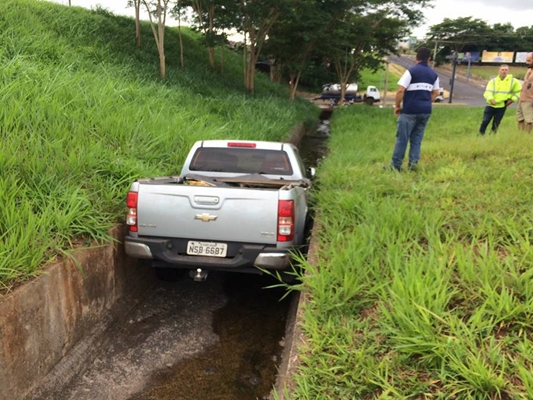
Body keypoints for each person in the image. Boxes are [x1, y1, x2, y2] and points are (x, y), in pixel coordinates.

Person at [389, 47, 440, 171]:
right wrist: (427, 102)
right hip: (425, 111)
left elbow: (401, 90)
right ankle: (413, 165)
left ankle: (396, 166)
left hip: (409, 111)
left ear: (416, 58)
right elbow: (436, 92)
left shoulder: (411, 71)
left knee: (402, 139)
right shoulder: (434, 74)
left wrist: (397, 106)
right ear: (429, 59)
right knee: (417, 139)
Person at [479, 64, 521, 135]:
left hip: (502, 105)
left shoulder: (513, 81)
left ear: (508, 71)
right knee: (485, 121)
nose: (504, 71)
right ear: (499, 71)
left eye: (506, 70)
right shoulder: (493, 81)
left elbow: (518, 91)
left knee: (496, 123)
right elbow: (488, 91)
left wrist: (512, 100)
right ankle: (480, 134)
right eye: (502, 70)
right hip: (491, 105)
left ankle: (492, 135)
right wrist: (490, 99)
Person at [517, 53, 533, 134]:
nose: (527, 62)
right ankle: (520, 135)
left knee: (529, 120)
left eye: (529, 61)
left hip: (530, 100)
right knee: (520, 118)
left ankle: (526, 136)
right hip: (522, 98)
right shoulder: (529, 70)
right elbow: (526, 81)